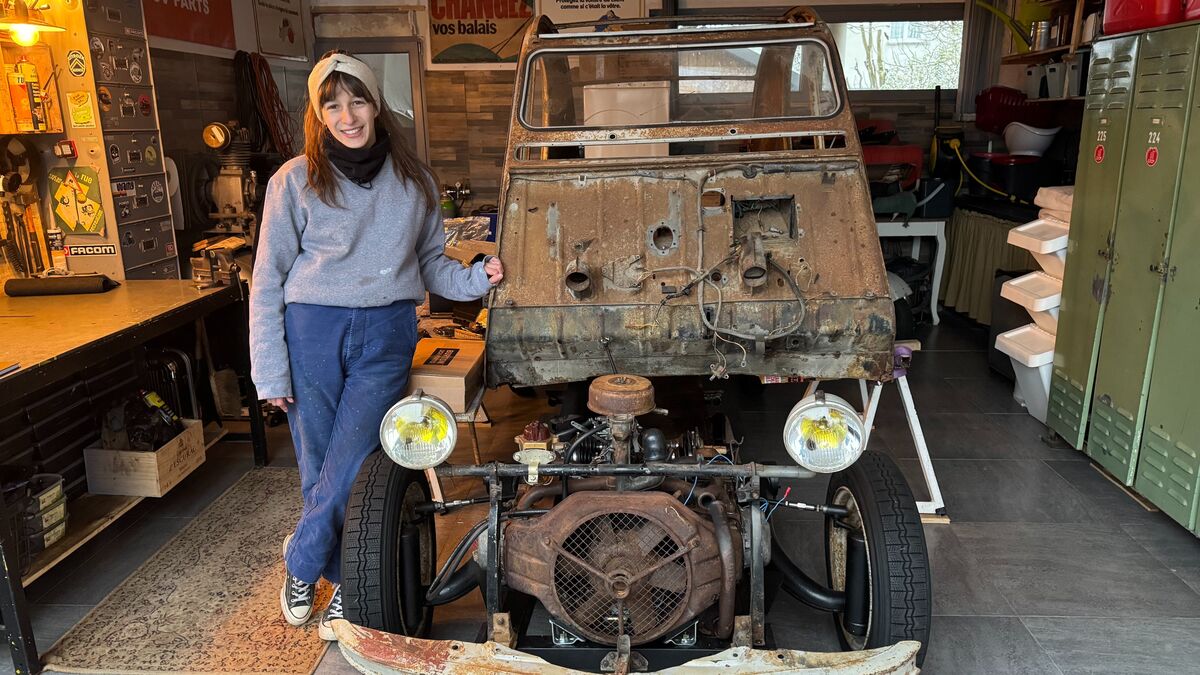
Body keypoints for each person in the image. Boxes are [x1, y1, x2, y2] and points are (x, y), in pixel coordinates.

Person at [249, 51, 503, 641]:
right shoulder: (293, 180)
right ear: (318, 114)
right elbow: (267, 279)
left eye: (357, 100)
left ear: (375, 102)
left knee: (358, 457)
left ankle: (301, 561)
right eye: (332, 105)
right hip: (310, 330)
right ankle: (342, 581)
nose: (347, 116)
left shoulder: (414, 181)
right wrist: (270, 372)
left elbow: (432, 264)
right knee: (319, 465)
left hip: (386, 330)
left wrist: (476, 279)